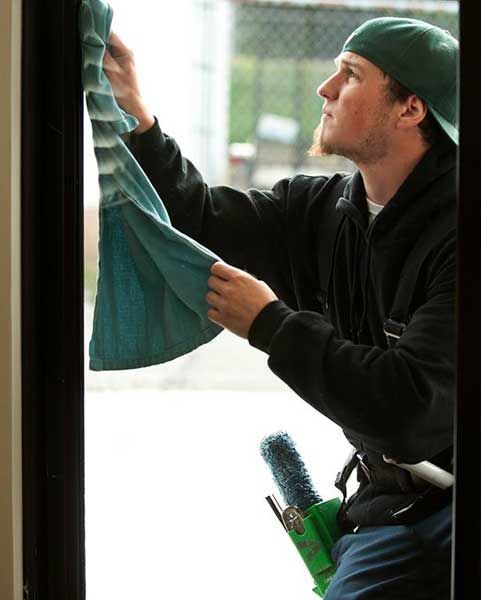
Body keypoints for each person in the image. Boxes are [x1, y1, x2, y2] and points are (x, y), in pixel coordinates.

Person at [103, 17, 457, 599]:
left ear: (410, 109)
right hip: (389, 508)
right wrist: (139, 122)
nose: (326, 88)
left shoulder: (464, 236)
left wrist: (270, 325)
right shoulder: (322, 211)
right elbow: (195, 225)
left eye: (350, 75)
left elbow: (409, 408)